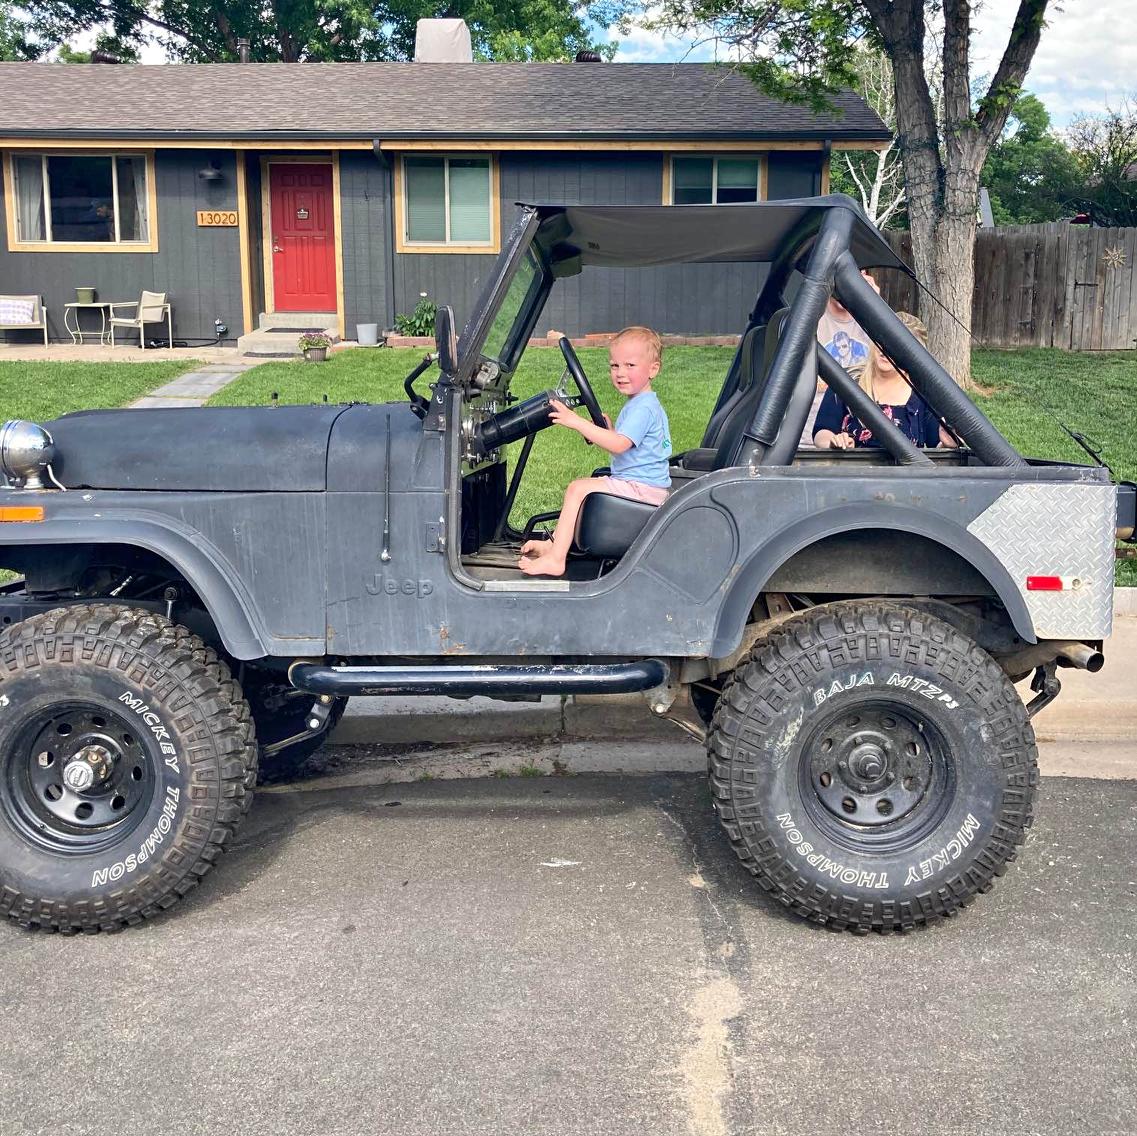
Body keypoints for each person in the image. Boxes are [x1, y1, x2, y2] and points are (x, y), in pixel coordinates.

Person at [519, 326, 671, 577]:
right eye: (614, 366)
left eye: (630, 366)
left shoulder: (643, 408)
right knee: (585, 487)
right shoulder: (641, 403)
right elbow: (625, 444)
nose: (620, 373)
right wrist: (606, 430)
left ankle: (557, 559)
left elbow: (620, 445)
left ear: (653, 369)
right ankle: (554, 544)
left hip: (641, 488)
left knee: (578, 488)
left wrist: (576, 421)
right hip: (639, 483)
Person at [812, 311, 959, 450]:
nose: (885, 349)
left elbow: (937, 447)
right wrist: (834, 442)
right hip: (852, 473)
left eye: (896, 346)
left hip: (903, 476)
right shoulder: (846, 380)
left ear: (913, 356)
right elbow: (821, 432)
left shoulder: (923, 394)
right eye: (883, 339)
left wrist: (946, 444)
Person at [801, 271, 879, 447]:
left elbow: (892, 363)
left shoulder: (872, 321)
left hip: (857, 443)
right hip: (807, 439)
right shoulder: (811, 317)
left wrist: (875, 304)